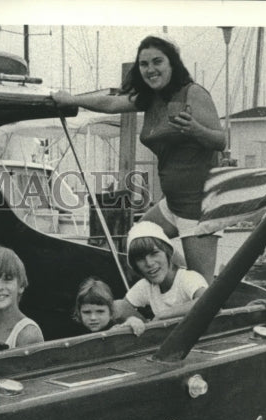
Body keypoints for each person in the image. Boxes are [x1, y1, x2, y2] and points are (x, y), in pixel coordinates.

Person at [53, 35, 225, 279]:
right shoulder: (150, 99)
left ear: (172, 64)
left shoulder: (193, 93)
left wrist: (194, 129)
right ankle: (179, 280)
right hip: (173, 202)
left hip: (198, 207)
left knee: (203, 286)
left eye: (157, 62)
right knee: (139, 239)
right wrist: (72, 100)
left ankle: (193, 285)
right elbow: (110, 103)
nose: (151, 69)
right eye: (144, 64)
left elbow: (220, 141)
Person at [115, 222, 207, 321]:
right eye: (140, 258)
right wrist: (137, 323)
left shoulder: (188, 277)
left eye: (154, 253)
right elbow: (119, 307)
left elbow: (209, 302)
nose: (149, 263)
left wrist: (164, 314)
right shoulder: (146, 285)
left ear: (168, 252)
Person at [73, 277, 145, 336]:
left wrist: (133, 321)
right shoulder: (77, 331)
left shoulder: (119, 325)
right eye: (87, 312)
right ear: (79, 313)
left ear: (111, 312)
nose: (93, 318)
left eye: (100, 311)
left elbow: (133, 322)